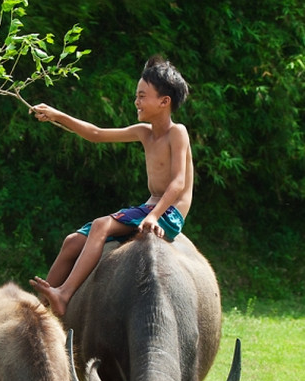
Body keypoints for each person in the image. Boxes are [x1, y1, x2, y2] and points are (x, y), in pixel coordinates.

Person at [29, 56, 192, 317]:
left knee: (101, 225)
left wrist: (153, 216)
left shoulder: (177, 133)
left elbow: (178, 183)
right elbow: (96, 134)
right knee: (72, 242)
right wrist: (57, 116)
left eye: (142, 96)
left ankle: (64, 293)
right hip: (150, 207)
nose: (136, 101)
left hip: (169, 214)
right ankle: (40, 311)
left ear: (164, 101)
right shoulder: (144, 132)